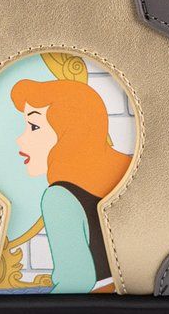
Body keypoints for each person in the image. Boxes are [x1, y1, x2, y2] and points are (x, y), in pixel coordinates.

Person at [11, 78, 131, 294]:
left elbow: (76, 281)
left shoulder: (59, 198)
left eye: (34, 126)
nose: (21, 139)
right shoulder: (119, 180)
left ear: (69, 130)